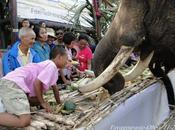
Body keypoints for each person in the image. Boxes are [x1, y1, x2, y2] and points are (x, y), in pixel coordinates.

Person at [0, 47, 68, 128]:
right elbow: (37, 83)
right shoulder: (51, 65)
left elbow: (55, 88)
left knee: (36, 101)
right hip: (13, 84)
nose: (67, 62)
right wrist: (43, 103)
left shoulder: (51, 67)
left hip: (12, 83)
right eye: (66, 59)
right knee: (24, 121)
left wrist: (59, 104)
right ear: (59, 57)